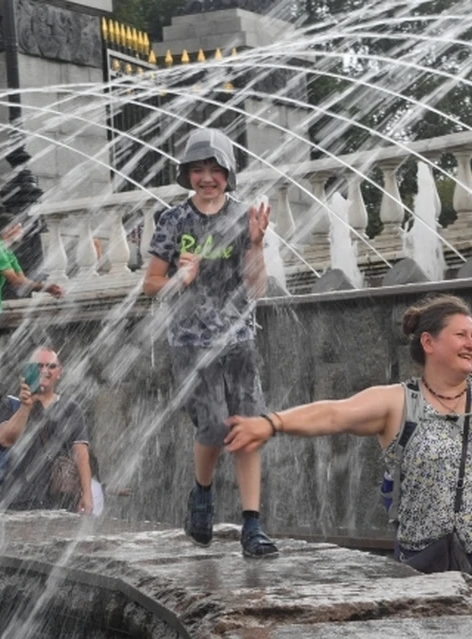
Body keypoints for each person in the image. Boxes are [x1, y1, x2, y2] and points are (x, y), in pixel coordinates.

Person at [225, 295, 472, 630]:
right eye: (462, 335)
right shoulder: (398, 403)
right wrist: (272, 423)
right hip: (438, 569)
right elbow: (335, 414)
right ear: (428, 342)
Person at [143, 127, 277, 559]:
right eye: (198, 170)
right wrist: (180, 279)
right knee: (215, 426)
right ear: (187, 175)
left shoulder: (243, 218)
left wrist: (255, 245)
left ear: (228, 174)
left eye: (214, 170)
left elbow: (257, 290)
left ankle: (252, 525)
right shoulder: (173, 220)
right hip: (189, 339)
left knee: (248, 427)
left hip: (238, 337)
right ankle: (201, 494)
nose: (206, 178)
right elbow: (150, 285)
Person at [0, 347, 93, 513]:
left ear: (59, 373)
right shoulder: (11, 405)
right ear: (28, 371)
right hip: (18, 498)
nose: (45, 371)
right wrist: (26, 406)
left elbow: (81, 454)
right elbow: (6, 439)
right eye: (39, 366)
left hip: (61, 499)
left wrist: (87, 494)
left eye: (51, 366)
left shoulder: (71, 409)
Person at [0, 216, 64, 314]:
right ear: (8, 230)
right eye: (19, 227)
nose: (22, 231)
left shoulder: (7, 253)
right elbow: (16, 281)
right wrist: (47, 288)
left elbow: (22, 280)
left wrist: (47, 288)